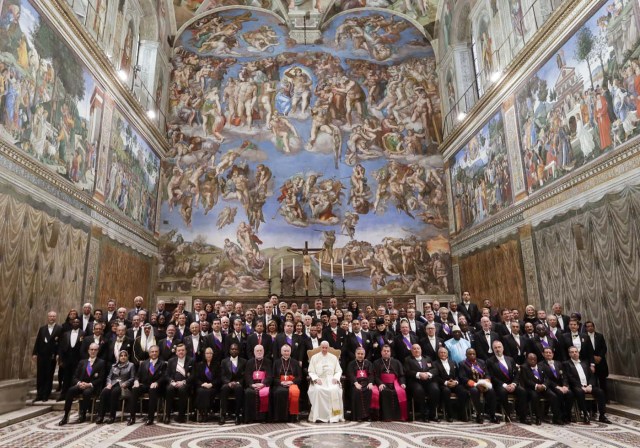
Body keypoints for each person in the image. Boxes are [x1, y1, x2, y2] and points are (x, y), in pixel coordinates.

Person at [59, 343, 106, 425]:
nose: (93, 351)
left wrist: (89, 384)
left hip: (91, 386)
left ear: (98, 351)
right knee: (70, 390)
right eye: (91, 349)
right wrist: (79, 383)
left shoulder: (101, 362)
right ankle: (66, 415)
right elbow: (74, 376)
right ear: (88, 351)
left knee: (86, 392)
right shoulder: (82, 362)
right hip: (80, 384)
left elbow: (101, 378)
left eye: (95, 350)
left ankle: (83, 413)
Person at [563, 346, 611, 424]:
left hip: (588, 385)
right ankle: (585, 414)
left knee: (600, 392)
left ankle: (602, 415)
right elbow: (569, 377)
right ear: (569, 354)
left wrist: (590, 385)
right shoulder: (566, 364)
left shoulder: (585, 362)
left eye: (576, 351)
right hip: (576, 386)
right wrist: (581, 386)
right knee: (580, 392)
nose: (574, 353)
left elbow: (592, 376)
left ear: (578, 353)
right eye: (572, 352)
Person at [486, 340, 528, 424]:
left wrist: (514, 384)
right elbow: (492, 377)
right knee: (502, 392)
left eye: (499, 347)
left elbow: (516, 374)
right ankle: (507, 415)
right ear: (493, 349)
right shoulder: (489, 361)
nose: (498, 349)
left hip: (512, 383)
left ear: (503, 348)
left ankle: (522, 416)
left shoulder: (510, 359)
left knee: (523, 392)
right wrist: (504, 385)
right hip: (500, 385)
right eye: (495, 348)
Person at [129, 345, 166, 426]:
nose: (154, 353)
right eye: (152, 351)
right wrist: (136, 381)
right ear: (149, 353)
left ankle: (150, 418)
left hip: (156, 386)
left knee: (152, 391)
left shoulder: (163, 363)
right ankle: (132, 417)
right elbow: (137, 375)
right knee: (135, 389)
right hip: (145, 385)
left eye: (156, 351)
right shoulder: (144, 363)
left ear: (158, 353)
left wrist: (157, 382)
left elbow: (164, 377)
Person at [308, 341, 344, 422]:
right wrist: (316, 379)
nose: (324, 349)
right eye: (323, 347)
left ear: (328, 348)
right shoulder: (314, 357)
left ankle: (334, 416)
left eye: (326, 348)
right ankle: (319, 416)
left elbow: (338, 370)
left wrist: (336, 378)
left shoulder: (333, 357)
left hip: (331, 380)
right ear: (320, 347)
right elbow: (311, 371)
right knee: (318, 390)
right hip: (319, 379)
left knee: (334, 389)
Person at [521, 353, 562, 425]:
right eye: (531, 359)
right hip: (532, 388)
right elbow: (526, 380)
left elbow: (547, 378)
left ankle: (556, 418)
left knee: (554, 396)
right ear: (527, 360)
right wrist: (536, 386)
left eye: (534, 359)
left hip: (543, 387)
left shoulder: (541, 366)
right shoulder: (524, 367)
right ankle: (538, 418)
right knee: (535, 396)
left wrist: (544, 385)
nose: (533, 361)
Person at [459, 348, 498, 423]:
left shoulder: (481, 362)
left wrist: (486, 381)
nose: (472, 355)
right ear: (466, 355)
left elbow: (487, 374)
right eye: (470, 354)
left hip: (483, 384)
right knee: (475, 391)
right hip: (471, 385)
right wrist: (476, 384)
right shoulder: (462, 363)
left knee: (491, 391)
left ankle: (492, 415)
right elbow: (463, 377)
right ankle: (479, 414)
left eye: (474, 354)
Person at [96, 350, 135, 424]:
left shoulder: (131, 365)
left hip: (123, 386)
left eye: (125, 355)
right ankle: (100, 416)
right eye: (121, 355)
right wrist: (109, 383)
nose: (123, 357)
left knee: (114, 392)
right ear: (119, 357)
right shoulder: (114, 366)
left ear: (127, 357)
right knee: (104, 392)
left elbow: (132, 378)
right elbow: (109, 377)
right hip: (113, 384)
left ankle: (112, 416)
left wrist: (126, 383)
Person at [403, 343, 439, 422]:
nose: (416, 350)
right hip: (415, 381)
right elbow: (407, 371)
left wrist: (428, 374)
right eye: (414, 349)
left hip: (428, 380)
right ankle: (424, 414)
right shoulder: (407, 359)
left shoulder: (427, 358)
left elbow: (435, 369)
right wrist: (419, 374)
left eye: (418, 348)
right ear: (411, 351)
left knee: (435, 389)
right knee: (419, 391)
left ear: (421, 350)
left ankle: (432, 414)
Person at [33, 311, 63, 402]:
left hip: (52, 356)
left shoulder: (59, 328)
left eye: (54, 316)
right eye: (50, 316)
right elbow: (38, 341)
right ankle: (39, 394)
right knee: (40, 375)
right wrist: (34, 353)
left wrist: (58, 354)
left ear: (56, 317)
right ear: (48, 317)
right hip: (41, 355)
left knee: (49, 375)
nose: (52, 318)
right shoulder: (42, 328)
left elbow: (61, 343)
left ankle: (46, 394)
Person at [434, 346, 469, 422]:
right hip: (443, 384)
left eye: (444, 352)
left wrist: (455, 382)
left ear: (447, 354)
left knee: (463, 391)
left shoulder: (453, 362)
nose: (443, 354)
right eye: (441, 352)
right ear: (438, 354)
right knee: (446, 391)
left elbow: (458, 375)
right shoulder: (435, 363)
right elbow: (436, 377)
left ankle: (462, 413)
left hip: (454, 383)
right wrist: (446, 382)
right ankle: (449, 415)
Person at [373, 344, 408, 421]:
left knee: (401, 391)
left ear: (390, 352)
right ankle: (387, 417)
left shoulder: (397, 362)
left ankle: (398, 416)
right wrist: (380, 383)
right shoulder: (376, 362)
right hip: (383, 383)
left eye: (388, 351)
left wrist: (402, 383)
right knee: (385, 392)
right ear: (381, 352)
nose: (386, 352)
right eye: (384, 351)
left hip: (395, 384)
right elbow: (375, 376)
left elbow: (401, 375)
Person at [272, 344, 302, 422]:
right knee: (281, 391)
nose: (286, 353)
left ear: (290, 352)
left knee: (294, 392)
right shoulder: (276, 362)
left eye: (288, 351)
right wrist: (281, 383)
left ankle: (292, 417)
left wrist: (292, 382)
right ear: (281, 352)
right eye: (284, 351)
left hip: (292, 383)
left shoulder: (295, 362)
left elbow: (299, 377)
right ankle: (280, 417)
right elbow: (274, 377)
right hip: (280, 384)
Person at [165, 343, 194, 423]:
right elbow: (167, 375)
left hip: (185, 384)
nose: (181, 352)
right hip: (174, 383)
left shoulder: (191, 360)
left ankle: (181, 416)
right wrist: (172, 382)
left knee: (182, 389)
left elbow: (193, 375)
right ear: (176, 352)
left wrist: (184, 382)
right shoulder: (171, 361)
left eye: (182, 350)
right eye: (179, 350)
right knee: (169, 389)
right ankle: (167, 415)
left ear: (186, 351)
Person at [346, 347, 376, 421]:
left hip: (366, 383)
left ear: (364, 354)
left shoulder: (368, 363)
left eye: (362, 354)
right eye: (358, 353)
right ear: (355, 354)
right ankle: (358, 416)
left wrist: (370, 383)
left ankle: (368, 416)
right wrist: (356, 383)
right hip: (356, 383)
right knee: (357, 391)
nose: (360, 355)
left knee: (369, 391)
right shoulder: (351, 364)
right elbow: (350, 374)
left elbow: (371, 374)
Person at [219, 343, 246, 425]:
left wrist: (237, 382)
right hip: (228, 383)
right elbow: (222, 375)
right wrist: (228, 382)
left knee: (239, 389)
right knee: (224, 388)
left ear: (238, 351)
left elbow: (244, 376)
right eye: (232, 349)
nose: (234, 350)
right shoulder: (224, 361)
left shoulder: (244, 361)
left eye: (236, 349)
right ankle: (223, 414)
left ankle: (237, 415)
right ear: (229, 350)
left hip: (238, 384)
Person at [244, 345, 272, 423]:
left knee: (265, 393)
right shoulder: (250, 362)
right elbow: (247, 375)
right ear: (254, 352)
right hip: (253, 385)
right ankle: (250, 418)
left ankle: (263, 418)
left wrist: (263, 384)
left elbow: (270, 375)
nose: (259, 352)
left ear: (263, 351)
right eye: (257, 351)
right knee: (249, 392)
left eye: (261, 350)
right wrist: (252, 384)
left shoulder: (268, 361)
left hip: (263, 385)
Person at [57, 317, 84, 398]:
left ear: (79, 324)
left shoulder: (83, 333)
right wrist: (61, 359)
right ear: (72, 324)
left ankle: (72, 395)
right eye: (74, 322)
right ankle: (63, 395)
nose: (75, 323)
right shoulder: (66, 333)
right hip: (67, 359)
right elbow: (61, 347)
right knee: (66, 377)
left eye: (77, 322)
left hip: (77, 359)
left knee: (75, 378)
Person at [194, 347, 221, 422]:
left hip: (213, 387)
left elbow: (219, 378)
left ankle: (205, 412)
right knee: (200, 391)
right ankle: (202, 412)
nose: (208, 355)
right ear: (204, 354)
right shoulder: (200, 365)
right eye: (207, 353)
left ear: (212, 354)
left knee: (206, 392)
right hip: (202, 385)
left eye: (210, 353)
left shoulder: (217, 365)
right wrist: (202, 384)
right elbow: (196, 378)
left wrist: (211, 384)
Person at [585, 321, 609, 400]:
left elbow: (604, 348)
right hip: (590, 363)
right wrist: (593, 357)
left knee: (602, 381)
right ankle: (595, 400)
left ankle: (605, 398)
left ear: (594, 327)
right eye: (588, 326)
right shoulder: (584, 337)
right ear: (586, 328)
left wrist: (600, 357)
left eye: (591, 326)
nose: (590, 328)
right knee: (592, 381)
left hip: (600, 362)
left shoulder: (599, 336)